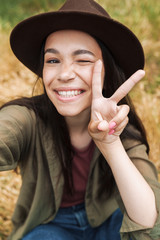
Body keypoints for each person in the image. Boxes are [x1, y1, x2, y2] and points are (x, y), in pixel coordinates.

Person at [0, 0, 160, 239]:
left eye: (83, 60)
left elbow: (149, 221)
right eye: (53, 60)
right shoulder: (26, 118)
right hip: (51, 224)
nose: (64, 74)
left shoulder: (123, 128)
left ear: (107, 73)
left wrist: (110, 143)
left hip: (111, 219)